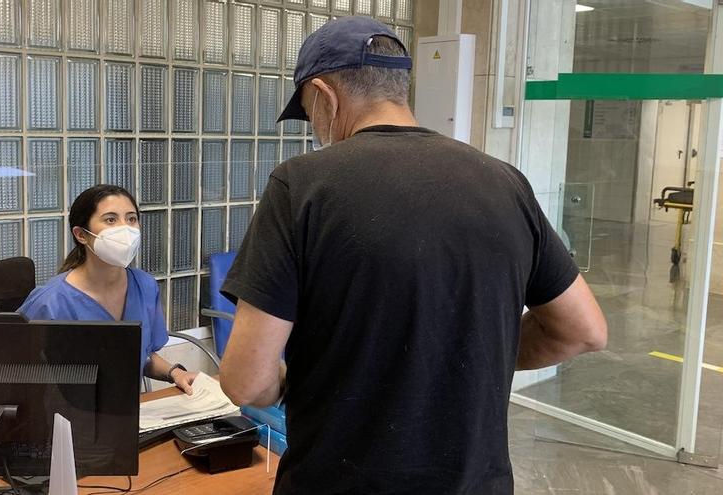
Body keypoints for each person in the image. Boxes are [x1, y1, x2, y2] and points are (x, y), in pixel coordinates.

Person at [218, 17, 607, 494]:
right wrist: (467, 358)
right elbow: (584, 331)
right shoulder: (506, 182)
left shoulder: (302, 186)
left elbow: (246, 381)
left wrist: (284, 381)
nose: (316, 129)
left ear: (324, 95)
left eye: (309, 112)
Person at [18, 184, 198, 394]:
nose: (125, 229)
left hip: (126, 415)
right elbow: (18, 372)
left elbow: (141, 355)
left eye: (131, 219)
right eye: (110, 220)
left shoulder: (145, 286)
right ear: (81, 235)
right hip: (66, 419)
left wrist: (175, 373)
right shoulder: (51, 302)